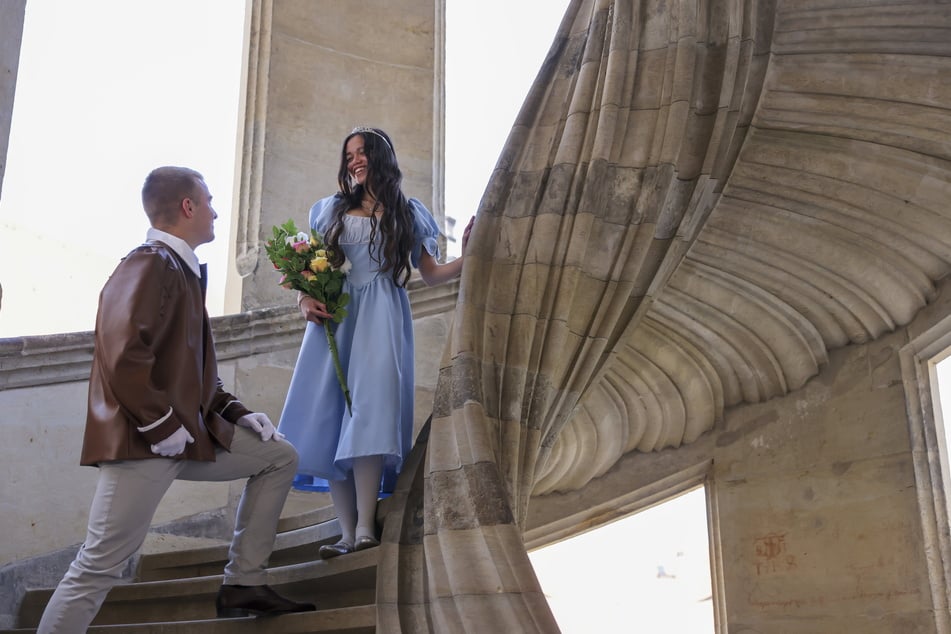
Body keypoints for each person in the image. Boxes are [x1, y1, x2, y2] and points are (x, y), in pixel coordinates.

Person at [37, 166, 316, 633]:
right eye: (208, 201)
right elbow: (120, 349)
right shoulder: (150, 262)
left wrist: (240, 412)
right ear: (188, 207)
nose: (215, 211)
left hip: (186, 437)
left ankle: (242, 583)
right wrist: (159, 424)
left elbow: (197, 378)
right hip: (144, 442)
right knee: (98, 566)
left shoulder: (183, 273)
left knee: (278, 456)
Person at [278, 127, 474, 559]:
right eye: (348, 154)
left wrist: (470, 254)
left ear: (380, 156)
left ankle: (366, 528)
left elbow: (432, 273)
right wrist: (304, 298)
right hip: (337, 314)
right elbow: (307, 273)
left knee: (371, 411)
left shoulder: (409, 212)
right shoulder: (328, 210)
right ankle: (345, 534)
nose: (354, 160)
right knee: (332, 414)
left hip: (383, 312)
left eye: (362, 152)